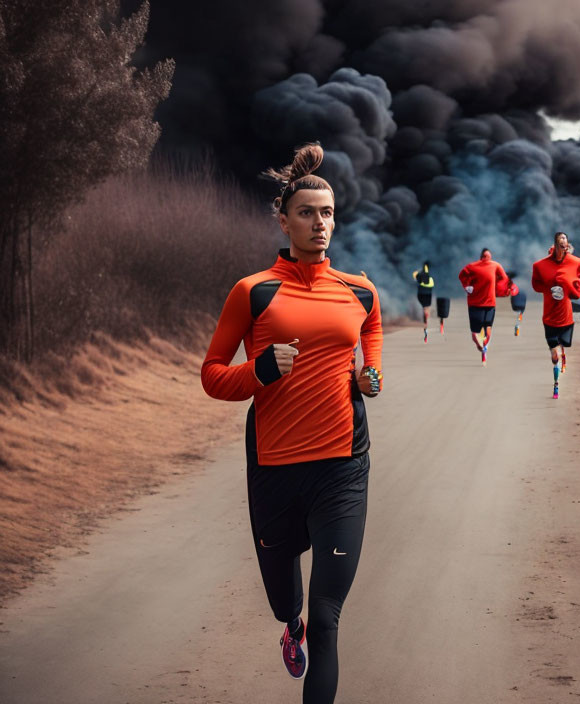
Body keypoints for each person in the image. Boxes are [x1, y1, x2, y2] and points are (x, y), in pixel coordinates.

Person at [201, 143, 383, 702]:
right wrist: (259, 369)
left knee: (328, 617)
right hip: (275, 468)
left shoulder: (359, 289)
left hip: (342, 468)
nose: (319, 223)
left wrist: (369, 374)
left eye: (327, 213)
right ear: (284, 220)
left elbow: (370, 331)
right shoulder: (252, 292)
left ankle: (310, 628)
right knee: (290, 601)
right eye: (307, 213)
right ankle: (290, 625)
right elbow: (212, 375)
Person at [531, 232, 580, 399]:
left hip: (565, 316)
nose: (563, 243)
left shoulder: (577, 262)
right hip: (550, 316)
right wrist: (548, 290)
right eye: (560, 240)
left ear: (568, 244)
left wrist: (574, 290)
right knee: (555, 351)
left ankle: (559, 355)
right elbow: (536, 284)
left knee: (560, 346)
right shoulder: (540, 265)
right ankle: (556, 383)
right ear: (555, 245)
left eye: (565, 239)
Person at [458, 248, 515, 365]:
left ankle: (483, 346)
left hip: (482, 303)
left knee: (480, 330)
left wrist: (466, 285)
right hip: (479, 303)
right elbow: (504, 279)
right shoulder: (491, 265)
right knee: (483, 329)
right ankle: (483, 346)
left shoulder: (485, 266)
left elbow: (462, 275)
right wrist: (466, 285)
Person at [412, 261, 435, 343]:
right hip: (428, 293)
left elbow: (415, 279)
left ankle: (424, 318)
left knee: (423, 307)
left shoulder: (419, 273)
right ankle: (426, 321)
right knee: (426, 308)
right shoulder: (433, 272)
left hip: (420, 293)